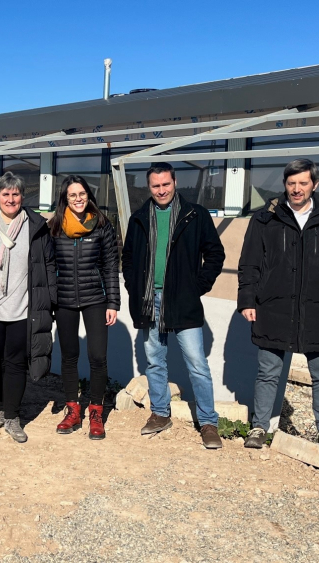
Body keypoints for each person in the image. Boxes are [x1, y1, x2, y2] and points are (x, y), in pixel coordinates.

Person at [238, 158, 319, 451]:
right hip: (274, 306)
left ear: (315, 184)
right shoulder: (266, 218)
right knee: (267, 372)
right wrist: (247, 299)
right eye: (291, 183)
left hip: (318, 307)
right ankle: (260, 426)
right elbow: (249, 263)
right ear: (285, 185)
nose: (297, 189)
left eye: (303, 183)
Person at [121, 162, 225, 449]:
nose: (161, 190)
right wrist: (133, 286)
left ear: (175, 182)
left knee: (197, 364)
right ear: (149, 187)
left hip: (182, 300)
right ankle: (160, 413)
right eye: (156, 186)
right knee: (155, 360)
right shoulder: (140, 217)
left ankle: (208, 422)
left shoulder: (196, 215)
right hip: (148, 300)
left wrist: (198, 286)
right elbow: (128, 258)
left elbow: (215, 254)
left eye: (165, 184)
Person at [0, 172, 57, 443]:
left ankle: (12, 415)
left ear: (22, 196)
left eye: (15, 194)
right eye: (5, 194)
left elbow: (48, 265)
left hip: (22, 308)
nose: (10, 199)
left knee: (16, 363)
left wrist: (50, 299)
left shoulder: (35, 226)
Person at [48, 175, 120, 440]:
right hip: (65, 299)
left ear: (89, 196)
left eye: (82, 194)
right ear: (64, 199)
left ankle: (96, 412)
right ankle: (72, 410)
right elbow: (47, 266)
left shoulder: (102, 225)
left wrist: (112, 302)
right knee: (68, 356)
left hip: (95, 300)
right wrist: (50, 299)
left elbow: (111, 266)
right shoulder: (54, 227)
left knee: (98, 357)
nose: (78, 199)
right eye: (72, 195)